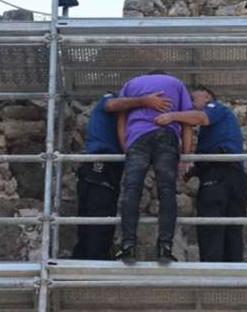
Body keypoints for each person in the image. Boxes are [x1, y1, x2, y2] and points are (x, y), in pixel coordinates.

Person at [72, 90, 172, 260]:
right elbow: (111, 105)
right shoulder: (111, 98)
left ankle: (97, 257)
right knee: (97, 212)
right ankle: (91, 259)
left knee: (105, 215)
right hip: (100, 163)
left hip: (111, 168)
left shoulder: (123, 112)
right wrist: (144, 101)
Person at [154, 86, 247, 262]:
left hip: (219, 174)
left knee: (211, 230)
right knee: (231, 232)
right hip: (233, 175)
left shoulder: (215, 108)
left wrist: (172, 116)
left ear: (206, 97)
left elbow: (200, 118)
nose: (189, 102)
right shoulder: (215, 128)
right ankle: (233, 279)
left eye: (192, 98)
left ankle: (213, 280)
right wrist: (194, 171)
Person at [116, 71, 193, 264]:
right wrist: (186, 154)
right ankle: (164, 248)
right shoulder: (177, 82)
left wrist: (126, 147)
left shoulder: (131, 82)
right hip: (166, 136)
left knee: (132, 190)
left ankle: (128, 246)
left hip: (137, 137)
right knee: (167, 190)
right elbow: (187, 122)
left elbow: (121, 120)